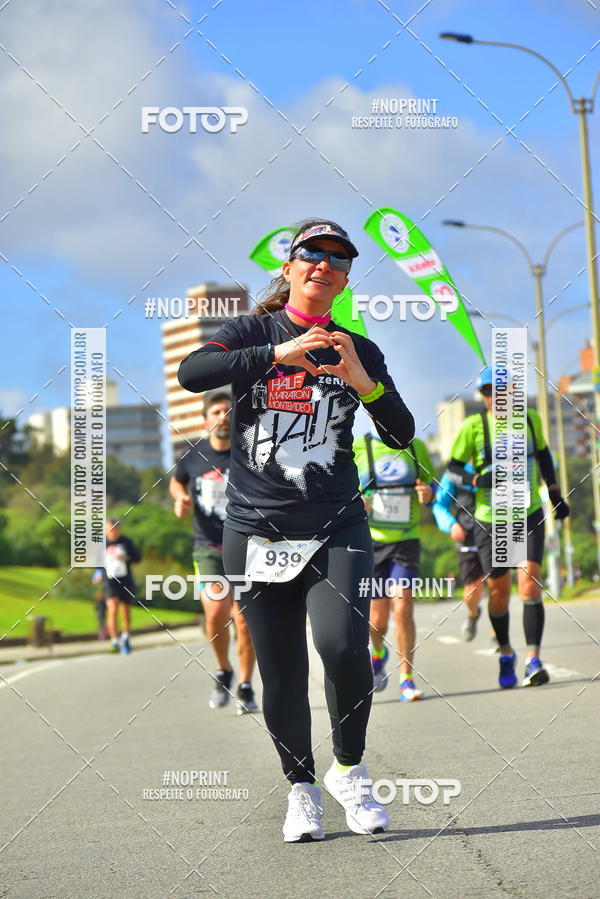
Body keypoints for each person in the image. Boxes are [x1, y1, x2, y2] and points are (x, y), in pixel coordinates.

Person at [178, 218, 415, 842]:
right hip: (256, 528)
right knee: (281, 669)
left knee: (342, 647)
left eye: (338, 261)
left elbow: (402, 432)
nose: (323, 266)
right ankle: (301, 790)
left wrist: (364, 384)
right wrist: (274, 356)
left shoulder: (358, 347)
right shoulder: (253, 331)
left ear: (343, 280)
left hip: (337, 520)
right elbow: (194, 372)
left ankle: (350, 771)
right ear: (289, 267)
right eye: (312, 254)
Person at [448, 366, 570, 688]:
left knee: (529, 585)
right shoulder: (473, 427)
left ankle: (533, 659)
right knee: (499, 595)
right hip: (490, 520)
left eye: (498, 392)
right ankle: (505, 651)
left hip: (528, 513)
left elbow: (543, 456)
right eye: (487, 393)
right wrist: (476, 480)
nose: (493, 399)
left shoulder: (530, 420)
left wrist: (555, 495)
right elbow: (452, 469)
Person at [169, 392, 258, 714]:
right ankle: (224, 669)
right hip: (208, 546)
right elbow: (176, 482)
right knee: (216, 610)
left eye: (228, 410)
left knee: (246, 621)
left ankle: (246, 686)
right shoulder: (193, 455)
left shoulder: (248, 450)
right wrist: (180, 498)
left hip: (248, 546)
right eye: (216, 411)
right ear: (207, 419)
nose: (223, 415)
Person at [353, 430, 435, 700]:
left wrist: (427, 494)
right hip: (372, 542)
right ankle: (378, 652)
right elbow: (344, 490)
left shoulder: (416, 447)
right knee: (376, 622)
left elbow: (433, 486)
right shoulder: (358, 447)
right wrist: (357, 501)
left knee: (403, 606)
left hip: (406, 539)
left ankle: (406, 679)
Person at [433, 462, 485, 641]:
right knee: (472, 592)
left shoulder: (499, 462)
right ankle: (473, 614)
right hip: (467, 536)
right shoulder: (454, 472)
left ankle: (500, 637)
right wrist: (451, 524)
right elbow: (439, 505)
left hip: (498, 534)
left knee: (499, 587)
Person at [104, 518, 141, 654]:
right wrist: (97, 573)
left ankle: (126, 636)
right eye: (110, 529)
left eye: (116, 529)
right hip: (110, 581)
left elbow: (137, 558)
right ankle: (114, 640)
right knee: (112, 610)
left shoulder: (127, 542)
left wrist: (125, 558)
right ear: (106, 530)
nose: (113, 532)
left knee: (125, 611)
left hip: (125, 580)